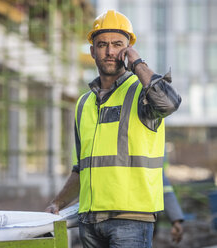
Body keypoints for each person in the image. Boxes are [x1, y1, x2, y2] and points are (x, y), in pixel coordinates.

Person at [45, 10, 182, 248]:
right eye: (102, 45)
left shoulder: (142, 93)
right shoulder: (83, 104)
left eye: (117, 44)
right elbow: (82, 168)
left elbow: (170, 103)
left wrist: (137, 63)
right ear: (92, 51)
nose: (109, 52)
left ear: (128, 49)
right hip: (89, 222)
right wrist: (58, 202)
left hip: (131, 221)